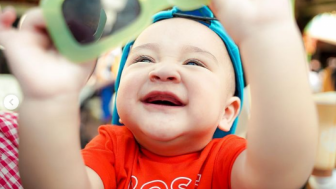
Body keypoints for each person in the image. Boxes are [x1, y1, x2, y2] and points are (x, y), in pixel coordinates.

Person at [0, 0, 318, 188]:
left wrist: (268, 31)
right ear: (119, 103)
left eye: (194, 62)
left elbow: (282, 172)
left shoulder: (225, 160)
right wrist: (48, 101)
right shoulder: (112, 149)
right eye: (143, 59)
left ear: (228, 111)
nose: (163, 71)